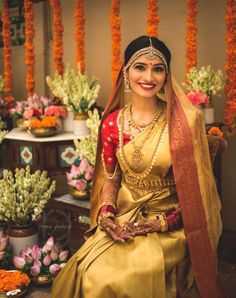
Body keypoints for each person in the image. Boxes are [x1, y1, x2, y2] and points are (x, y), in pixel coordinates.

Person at [51, 36, 225, 298]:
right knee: (86, 271)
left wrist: (161, 222)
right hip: (125, 220)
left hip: (171, 226)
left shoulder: (186, 124)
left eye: (158, 69)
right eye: (140, 66)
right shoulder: (112, 125)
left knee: (128, 275)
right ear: (126, 72)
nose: (149, 76)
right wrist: (107, 216)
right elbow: (110, 180)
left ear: (167, 76)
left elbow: (197, 195)